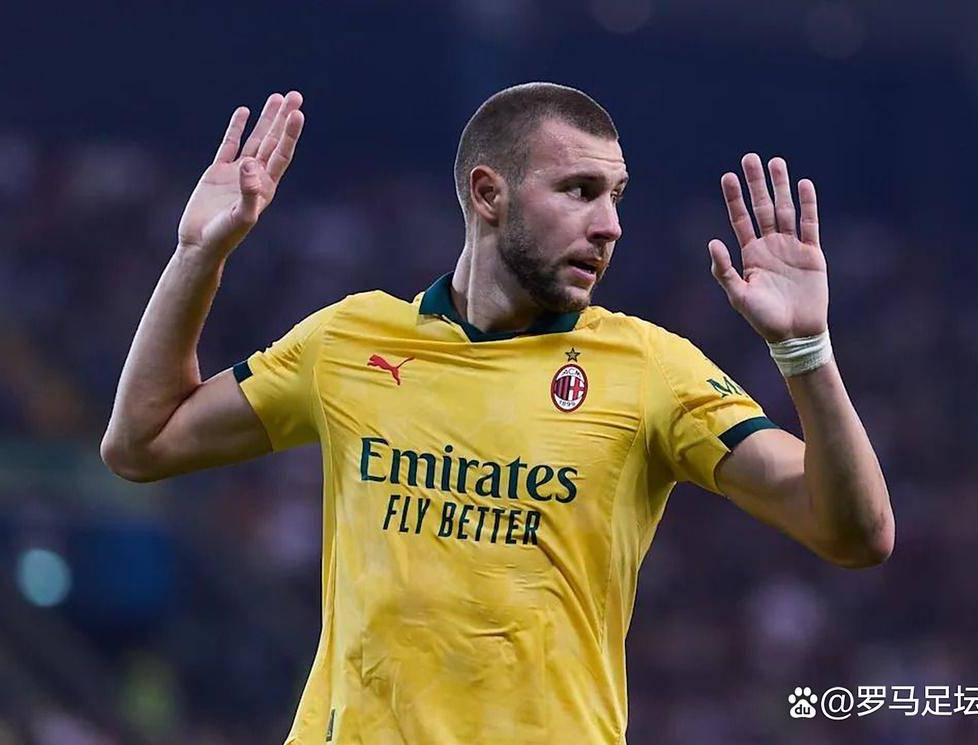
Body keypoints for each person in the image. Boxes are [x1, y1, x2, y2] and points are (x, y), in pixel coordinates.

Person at [101, 83, 894, 744]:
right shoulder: (348, 341)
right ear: (489, 193)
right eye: (579, 191)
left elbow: (855, 532)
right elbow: (142, 442)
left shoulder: (652, 369)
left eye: (616, 196)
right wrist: (198, 254)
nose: (610, 224)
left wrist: (806, 350)